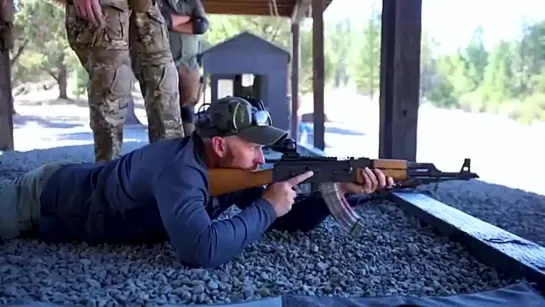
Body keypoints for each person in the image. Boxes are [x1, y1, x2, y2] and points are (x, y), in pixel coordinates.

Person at [0, 96, 394, 269]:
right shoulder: (179, 170)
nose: (261, 157)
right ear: (220, 144)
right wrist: (267, 205)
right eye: (254, 147)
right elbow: (200, 251)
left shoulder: (231, 171)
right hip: (40, 198)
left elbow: (286, 219)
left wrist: (339, 192)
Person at [64, 0, 185, 162]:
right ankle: (106, 176)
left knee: (165, 84)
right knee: (112, 86)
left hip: (145, 6)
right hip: (105, 5)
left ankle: (171, 173)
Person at [159, 0, 208, 135]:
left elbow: (201, 26)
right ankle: (166, 148)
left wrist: (171, 24)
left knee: (187, 111)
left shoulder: (192, 2)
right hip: (163, 64)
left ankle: (188, 147)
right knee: (164, 111)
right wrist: (186, 21)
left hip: (189, 64)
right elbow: (156, 23)